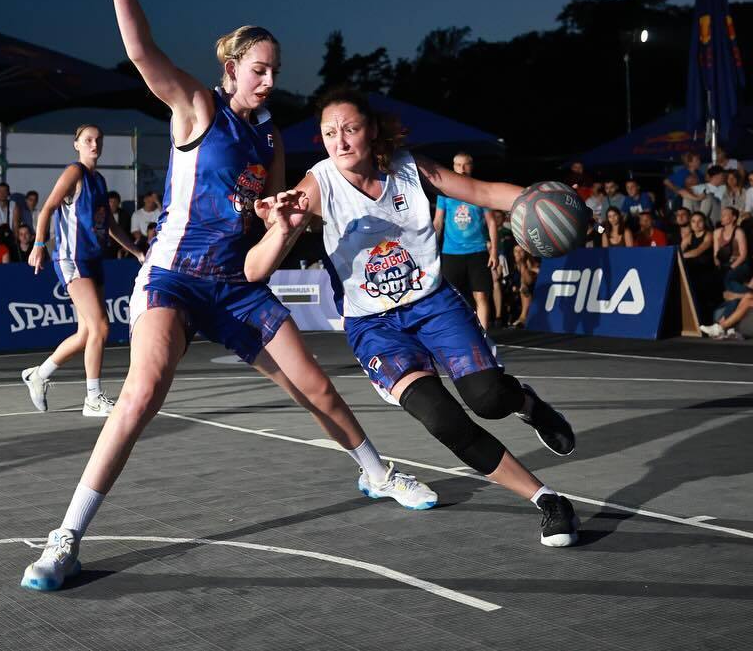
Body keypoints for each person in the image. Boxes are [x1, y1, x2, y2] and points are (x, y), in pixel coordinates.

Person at [23, 0, 434, 593]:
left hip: (236, 284)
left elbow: (266, 230)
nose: (270, 80)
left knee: (314, 385)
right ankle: (65, 538)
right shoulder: (197, 108)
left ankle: (376, 472)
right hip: (175, 277)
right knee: (142, 392)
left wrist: (282, 221)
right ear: (231, 67)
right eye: (259, 69)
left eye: (275, 71)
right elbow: (142, 53)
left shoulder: (270, 141)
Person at [247, 89, 581, 548]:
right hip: (374, 327)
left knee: (487, 399)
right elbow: (255, 270)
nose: (340, 141)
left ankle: (527, 404)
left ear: (371, 130)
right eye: (329, 133)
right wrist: (282, 227)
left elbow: (483, 192)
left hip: (433, 304)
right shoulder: (317, 185)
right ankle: (547, 500)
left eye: (350, 129)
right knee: (443, 420)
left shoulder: (408, 168)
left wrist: (541, 201)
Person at [22, 124, 145, 416]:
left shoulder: (98, 180)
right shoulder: (74, 173)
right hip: (72, 259)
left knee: (86, 333)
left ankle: (39, 374)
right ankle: (93, 398)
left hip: (93, 260)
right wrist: (39, 244)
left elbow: (110, 224)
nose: (94, 144)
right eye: (88, 140)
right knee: (101, 327)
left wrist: (137, 251)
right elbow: (48, 208)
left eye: (98, 140)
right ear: (76, 144)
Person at [434, 151, 498, 330]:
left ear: (472, 166)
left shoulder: (481, 190)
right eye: (458, 165)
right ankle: (457, 334)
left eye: (466, 164)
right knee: (451, 298)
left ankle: (484, 337)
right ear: (453, 167)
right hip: (451, 252)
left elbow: (492, 222)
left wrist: (494, 250)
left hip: (478, 251)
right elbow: (438, 222)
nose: (462, 169)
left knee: (481, 296)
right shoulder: (444, 192)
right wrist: (430, 249)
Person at [700, 245, 753, 340]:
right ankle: (724, 328)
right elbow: (750, 287)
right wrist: (736, 294)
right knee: (735, 295)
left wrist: (736, 295)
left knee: (732, 282)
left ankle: (720, 326)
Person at [680, 210, 718, 322]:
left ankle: (706, 321)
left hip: (706, 270)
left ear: (704, 222)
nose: (696, 224)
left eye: (699, 221)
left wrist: (682, 256)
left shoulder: (709, 235)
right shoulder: (689, 236)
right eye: (693, 221)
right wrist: (679, 255)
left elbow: (698, 251)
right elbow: (679, 250)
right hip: (693, 270)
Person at [713, 205, 748, 281]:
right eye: (721, 215)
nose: (721, 217)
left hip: (738, 264)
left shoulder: (739, 232)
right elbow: (716, 254)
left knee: (727, 278)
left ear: (733, 218)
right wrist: (718, 265)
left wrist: (730, 267)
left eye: (725, 215)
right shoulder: (717, 232)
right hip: (724, 264)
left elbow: (743, 256)